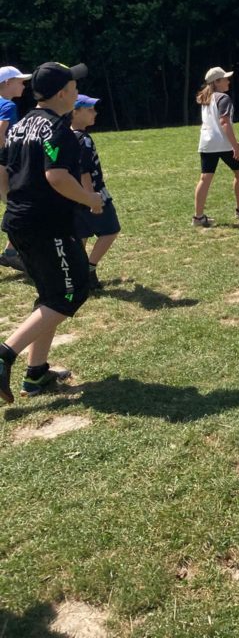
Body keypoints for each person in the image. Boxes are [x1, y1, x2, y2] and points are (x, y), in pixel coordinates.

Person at [0, 61, 104, 404]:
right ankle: (5, 354)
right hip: (47, 227)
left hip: (19, 222)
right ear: (62, 93)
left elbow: (2, 171)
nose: (77, 92)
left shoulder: (20, 125)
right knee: (71, 293)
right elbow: (56, 176)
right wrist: (90, 199)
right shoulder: (59, 129)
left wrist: (15, 203)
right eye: (74, 87)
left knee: (50, 293)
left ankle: (37, 374)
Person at [193, 66, 239, 227]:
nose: (228, 81)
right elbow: (224, 122)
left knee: (204, 179)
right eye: (225, 79)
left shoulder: (206, 98)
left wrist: (234, 143)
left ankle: (198, 218)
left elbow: (215, 124)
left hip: (207, 143)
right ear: (217, 82)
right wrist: (234, 146)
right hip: (223, 144)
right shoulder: (223, 98)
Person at [71, 95, 120, 291]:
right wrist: (92, 199)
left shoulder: (67, 136)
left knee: (81, 235)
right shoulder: (83, 140)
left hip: (74, 195)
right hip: (93, 194)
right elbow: (84, 172)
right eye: (90, 109)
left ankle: (77, 276)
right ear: (75, 112)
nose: (95, 113)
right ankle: (89, 269)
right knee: (110, 229)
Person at [0, 65, 32, 271]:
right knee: (19, 207)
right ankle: (12, 253)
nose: (23, 85)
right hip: (4, 165)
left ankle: (11, 251)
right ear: (6, 83)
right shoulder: (7, 106)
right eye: (20, 81)